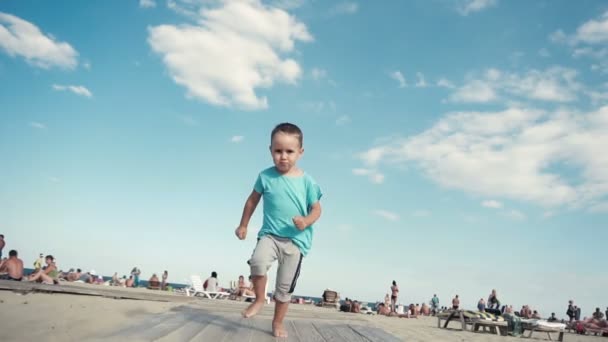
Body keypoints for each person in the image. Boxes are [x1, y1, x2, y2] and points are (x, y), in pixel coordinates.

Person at [235, 123, 323, 338]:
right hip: (270, 236)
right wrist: (244, 224)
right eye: (278, 151)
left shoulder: (307, 181)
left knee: (284, 290)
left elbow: (317, 209)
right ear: (270, 150)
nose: (283, 156)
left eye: (289, 151)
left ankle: (277, 322)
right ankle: (258, 298)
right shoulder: (265, 176)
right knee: (257, 262)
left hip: (296, 242)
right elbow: (251, 201)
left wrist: (306, 220)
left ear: (300, 153)